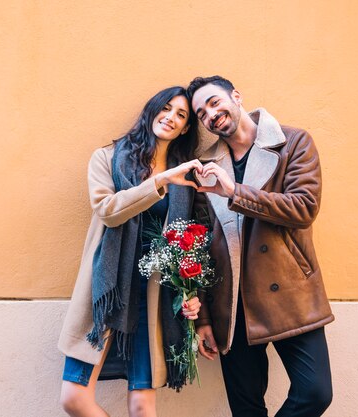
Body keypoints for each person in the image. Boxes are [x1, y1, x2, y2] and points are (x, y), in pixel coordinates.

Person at [187, 75, 334, 417]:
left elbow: (303, 208)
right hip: (231, 302)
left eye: (213, 102)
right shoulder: (206, 166)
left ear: (235, 97)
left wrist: (235, 193)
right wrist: (204, 317)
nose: (210, 114)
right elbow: (201, 244)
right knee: (246, 408)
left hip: (290, 295)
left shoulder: (292, 142)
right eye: (201, 113)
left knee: (315, 392)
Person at [58, 86, 204, 417]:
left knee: (142, 406)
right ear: (151, 110)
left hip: (154, 295)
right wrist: (161, 180)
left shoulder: (188, 178)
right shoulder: (107, 158)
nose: (171, 117)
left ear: (185, 129)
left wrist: (192, 294)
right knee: (74, 398)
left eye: (181, 115)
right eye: (166, 108)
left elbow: (188, 243)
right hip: (108, 290)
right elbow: (107, 210)